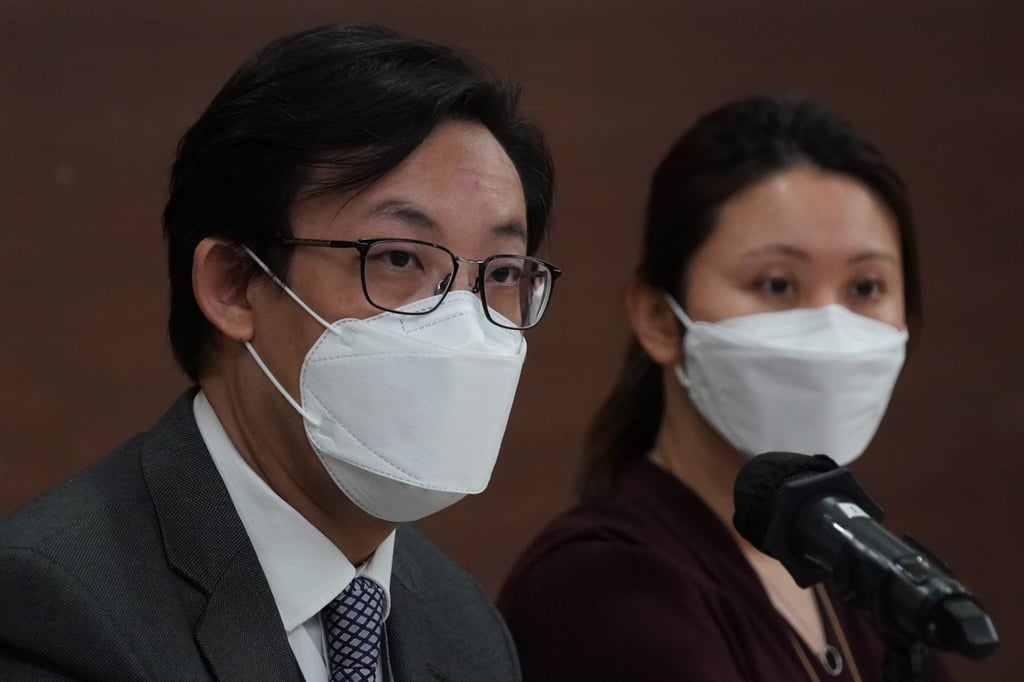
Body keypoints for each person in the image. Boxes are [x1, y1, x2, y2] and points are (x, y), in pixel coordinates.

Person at [0, 23, 559, 681]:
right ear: (232, 284)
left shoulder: (463, 623)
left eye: (500, 273)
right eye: (400, 257)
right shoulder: (54, 608)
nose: (462, 321)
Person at [499, 95, 955, 681]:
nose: (829, 325)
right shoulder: (601, 582)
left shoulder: (865, 573)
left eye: (865, 288)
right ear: (660, 319)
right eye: (776, 283)